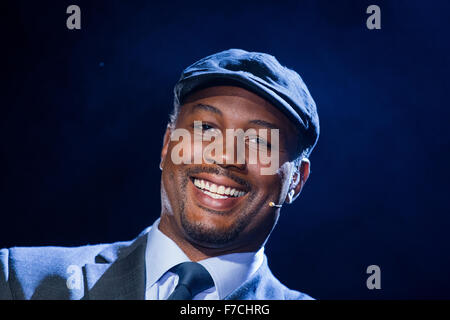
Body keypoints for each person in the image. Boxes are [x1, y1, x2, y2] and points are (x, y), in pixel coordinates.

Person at [0, 49, 319, 300]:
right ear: (168, 144)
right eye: (205, 128)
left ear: (295, 181)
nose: (224, 156)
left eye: (258, 141)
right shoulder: (20, 281)